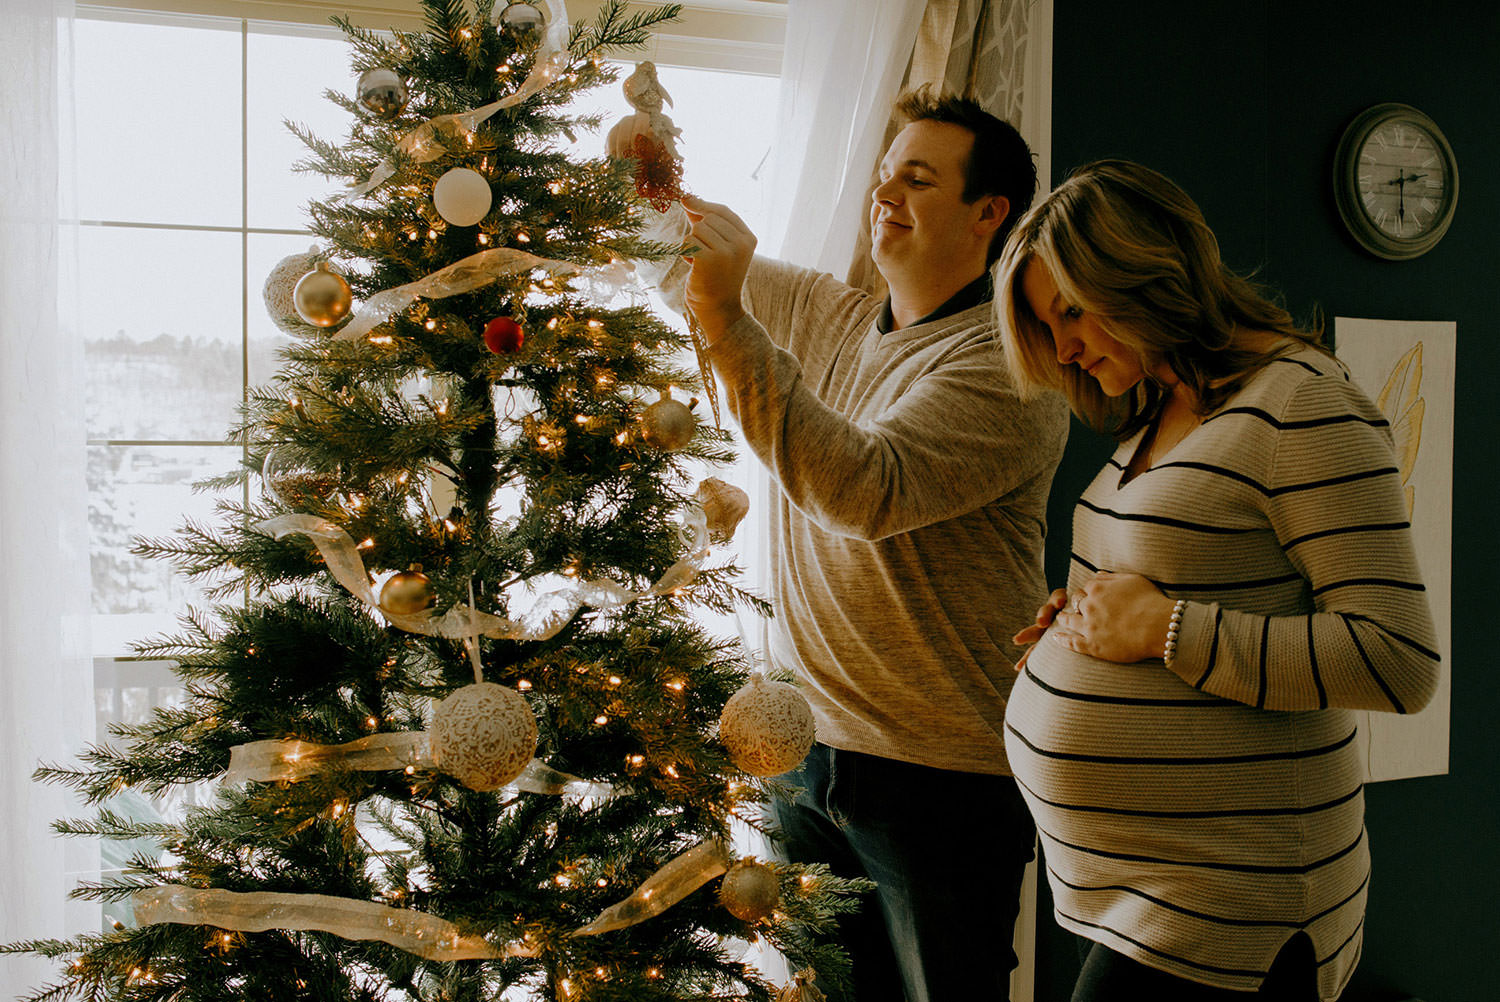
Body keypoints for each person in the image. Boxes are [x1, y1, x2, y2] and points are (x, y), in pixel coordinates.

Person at [996, 159, 1441, 1002]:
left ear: (1142, 269)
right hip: (1154, 896)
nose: (1064, 350)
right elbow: (1197, 572)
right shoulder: (1164, 407)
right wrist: (1081, 620)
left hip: (1239, 901)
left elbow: (1397, 660)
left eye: (1069, 313)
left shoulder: (1304, 405)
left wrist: (1164, 630)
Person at [677, 89, 1070, 1002]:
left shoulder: (1010, 370)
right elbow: (679, 262)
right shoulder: (835, 317)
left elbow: (861, 488)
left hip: (937, 785)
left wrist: (731, 322)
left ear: (988, 214)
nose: (885, 191)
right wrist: (647, 175)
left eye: (918, 179)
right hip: (803, 756)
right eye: (887, 173)